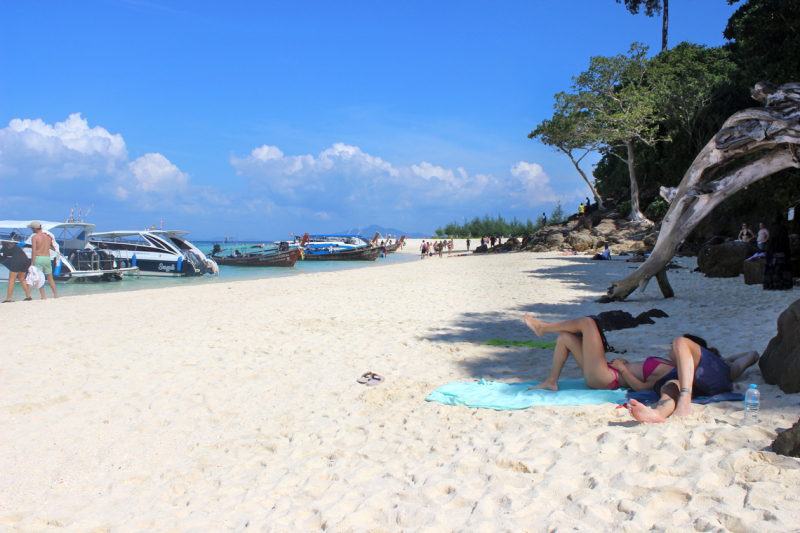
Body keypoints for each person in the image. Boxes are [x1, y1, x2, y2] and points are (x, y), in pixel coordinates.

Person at [626, 336, 760, 423]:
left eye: (674, 348)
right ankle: (657, 413)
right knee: (669, 388)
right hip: (692, 382)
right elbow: (752, 355)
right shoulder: (676, 369)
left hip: (712, 377)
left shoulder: (720, 363)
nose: (673, 349)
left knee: (680, 340)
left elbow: (753, 355)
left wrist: (725, 358)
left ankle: (684, 401)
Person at [523, 314, 625, 391]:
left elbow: (640, 386)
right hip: (606, 373)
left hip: (605, 379)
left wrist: (623, 369)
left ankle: (542, 328)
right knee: (565, 337)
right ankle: (551, 381)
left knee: (587, 322)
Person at [763, 212, 793, 290]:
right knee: (780, 268)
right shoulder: (783, 228)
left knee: (771, 268)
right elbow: (785, 240)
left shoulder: (772, 227)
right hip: (780, 251)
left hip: (771, 250)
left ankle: (770, 285)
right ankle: (781, 284)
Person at [29, 221, 58, 299]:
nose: (31, 230)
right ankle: (56, 295)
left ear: (35, 228)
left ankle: (43, 296)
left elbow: (34, 251)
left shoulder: (34, 237)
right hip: (47, 258)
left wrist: (31, 263)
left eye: (32, 228)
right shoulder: (48, 237)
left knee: (40, 278)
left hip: (39, 258)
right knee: (50, 278)